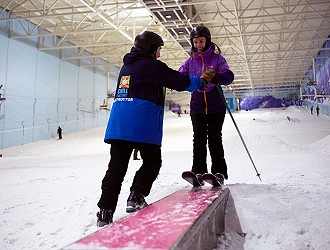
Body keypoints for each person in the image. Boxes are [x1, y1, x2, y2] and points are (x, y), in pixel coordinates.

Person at [96, 31, 216, 227]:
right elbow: (179, 81)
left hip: (119, 124)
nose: (159, 53)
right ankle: (136, 196)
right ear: (151, 48)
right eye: (158, 49)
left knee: (116, 168)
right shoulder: (151, 66)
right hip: (142, 121)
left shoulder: (127, 66)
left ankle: (104, 211)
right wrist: (200, 82)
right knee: (152, 161)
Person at [178, 25, 234, 185]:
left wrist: (218, 77)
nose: (198, 45)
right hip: (197, 106)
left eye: (201, 41)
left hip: (216, 104)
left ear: (207, 41)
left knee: (215, 139)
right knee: (199, 139)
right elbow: (180, 77)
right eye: (195, 42)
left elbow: (228, 76)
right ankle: (198, 171)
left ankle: (219, 172)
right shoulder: (189, 62)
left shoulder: (217, 59)